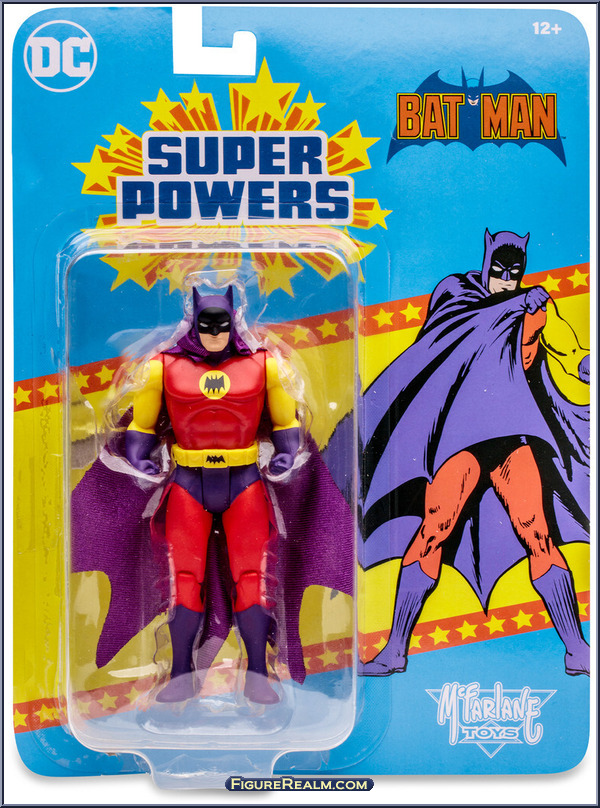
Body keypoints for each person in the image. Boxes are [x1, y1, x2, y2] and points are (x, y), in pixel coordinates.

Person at [361, 230, 590, 677]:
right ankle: (394, 650)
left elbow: (565, 344)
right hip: (459, 439)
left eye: (514, 273)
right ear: (486, 264)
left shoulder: (534, 308)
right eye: (499, 270)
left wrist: (582, 362)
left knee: (538, 533)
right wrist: (514, 306)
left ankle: (576, 648)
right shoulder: (457, 293)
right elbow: (440, 340)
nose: (506, 279)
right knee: (434, 530)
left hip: (511, 439)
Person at [125, 286, 300, 703]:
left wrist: (286, 452)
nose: (215, 333)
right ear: (195, 321)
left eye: (222, 324)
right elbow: (141, 423)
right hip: (188, 479)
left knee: (252, 578)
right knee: (184, 580)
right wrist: (138, 455)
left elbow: (285, 421)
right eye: (208, 324)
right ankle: (179, 674)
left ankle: (257, 674)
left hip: (245, 479)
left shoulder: (265, 365)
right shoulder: (162, 367)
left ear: (234, 319)